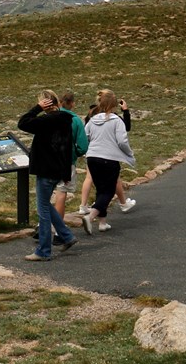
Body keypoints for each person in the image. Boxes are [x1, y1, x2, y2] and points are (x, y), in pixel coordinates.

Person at [17, 90, 78, 260]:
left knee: (42, 210)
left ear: (45, 103)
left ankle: (43, 251)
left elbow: (22, 123)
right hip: (58, 170)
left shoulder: (46, 121)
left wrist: (36, 108)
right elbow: (66, 147)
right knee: (46, 205)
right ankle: (66, 236)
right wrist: (65, 172)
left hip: (46, 170)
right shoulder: (65, 119)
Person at [34, 90, 89, 244]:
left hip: (46, 164)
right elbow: (83, 146)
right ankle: (60, 233)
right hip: (66, 163)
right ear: (72, 103)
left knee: (43, 200)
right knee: (61, 193)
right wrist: (75, 154)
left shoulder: (46, 118)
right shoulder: (74, 120)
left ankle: (44, 229)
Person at [82, 89, 136, 235]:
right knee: (109, 190)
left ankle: (102, 222)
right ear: (114, 105)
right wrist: (128, 154)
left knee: (100, 189)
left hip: (92, 158)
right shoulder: (116, 121)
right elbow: (122, 141)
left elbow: (85, 137)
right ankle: (91, 216)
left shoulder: (92, 120)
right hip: (109, 159)